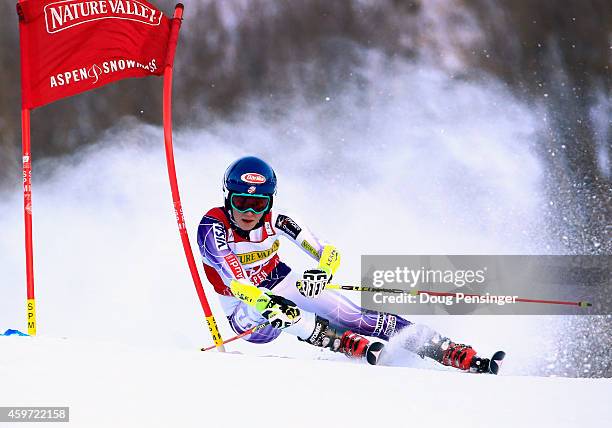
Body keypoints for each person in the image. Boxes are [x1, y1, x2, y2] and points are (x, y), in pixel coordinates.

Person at [197, 156, 502, 372]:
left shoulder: (280, 220)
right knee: (273, 306)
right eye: (242, 202)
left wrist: (323, 272)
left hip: (279, 279)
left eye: (259, 203)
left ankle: (446, 349)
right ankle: (343, 343)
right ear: (228, 197)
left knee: (353, 315)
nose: (250, 212)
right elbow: (238, 283)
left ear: (271, 201)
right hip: (243, 310)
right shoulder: (213, 228)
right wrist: (267, 300)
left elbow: (328, 252)